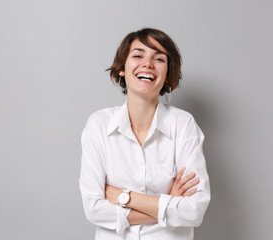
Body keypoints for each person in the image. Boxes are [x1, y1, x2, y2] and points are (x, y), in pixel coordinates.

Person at [79, 28, 210, 240]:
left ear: (168, 74)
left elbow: (193, 210)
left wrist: (124, 197)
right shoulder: (99, 125)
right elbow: (94, 209)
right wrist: (167, 203)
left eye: (159, 59)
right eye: (138, 55)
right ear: (122, 68)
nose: (147, 64)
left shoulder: (183, 124)